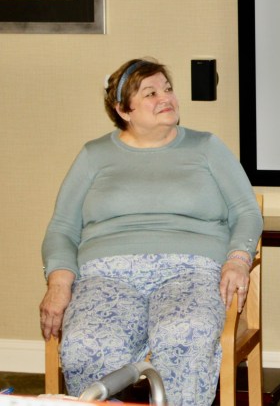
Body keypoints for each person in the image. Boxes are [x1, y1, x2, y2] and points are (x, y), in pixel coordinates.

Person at [38, 58, 263, 405]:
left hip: (190, 270)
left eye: (168, 88)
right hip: (106, 275)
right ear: (123, 110)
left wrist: (237, 258)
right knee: (87, 342)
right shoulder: (94, 155)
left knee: (184, 333)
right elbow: (63, 228)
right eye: (150, 93)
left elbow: (246, 211)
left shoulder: (206, 147)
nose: (166, 97)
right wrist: (59, 281)